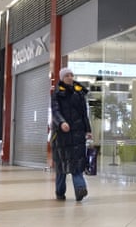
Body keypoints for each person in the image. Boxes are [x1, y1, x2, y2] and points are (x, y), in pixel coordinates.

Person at [50, 67, 93, 201]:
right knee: (62, 166)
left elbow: (84, 114)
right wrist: (61, 122)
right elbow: (55, 111)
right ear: (62, 78)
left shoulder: (79, 93)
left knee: (77, 164)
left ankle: (80, 189)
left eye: (71, 75)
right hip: (62, 135)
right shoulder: (57, 93)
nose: (70, 77)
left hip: (78, 133)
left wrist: (88, 130)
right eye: (67, 75)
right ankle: (60, 191)